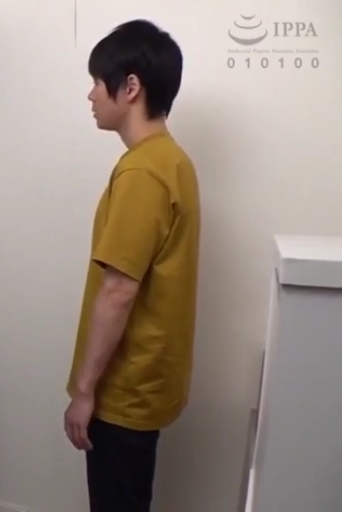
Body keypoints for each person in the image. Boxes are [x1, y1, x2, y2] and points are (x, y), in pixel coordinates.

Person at [63, 20, 200, 512]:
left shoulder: (143, 170)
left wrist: (84, 392)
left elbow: (119, 289)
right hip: (150, 381)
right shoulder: (174, 161)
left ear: (131, 87)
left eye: (98, 82)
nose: (91, 95)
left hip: (124, 390)